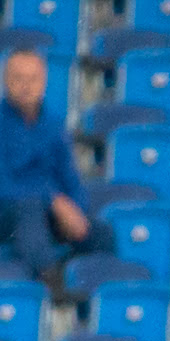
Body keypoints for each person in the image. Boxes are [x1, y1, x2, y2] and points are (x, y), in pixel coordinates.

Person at [0, 50, 115, 282]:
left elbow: (69, 177)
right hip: (10, 211)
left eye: (32, 79)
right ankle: (51, 283)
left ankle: (83, 289)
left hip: (49, 213)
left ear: (43, 82)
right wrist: (53, 200)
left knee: (102, 233)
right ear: (6, 81)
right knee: (29, 212)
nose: (26, 86)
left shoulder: (53, 125)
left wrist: (76, 211)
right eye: (18, 79)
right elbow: (5, 187)